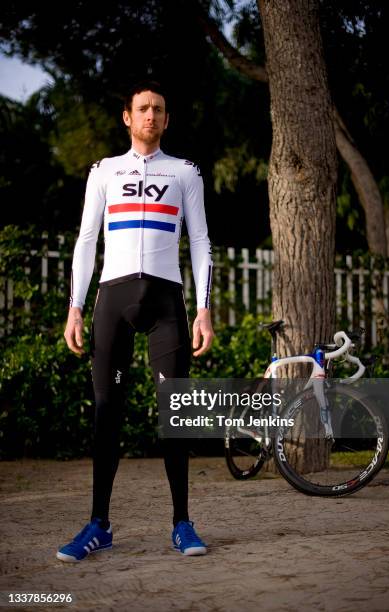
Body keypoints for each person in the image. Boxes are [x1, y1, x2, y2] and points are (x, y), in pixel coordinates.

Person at [56, 81, 214, 562]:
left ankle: (182, 523)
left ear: (166, 120)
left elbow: (202, 242)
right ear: (127, 117)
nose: (151, 115)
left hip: (166, 301)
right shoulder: (104, 171)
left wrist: (203, 307)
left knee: (176, 413)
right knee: (108, 412)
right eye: (143, 108)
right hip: (113, 300)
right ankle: (98, 525)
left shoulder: (184, 172)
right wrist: (75, 305)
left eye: (159, 110)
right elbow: (86, 241)